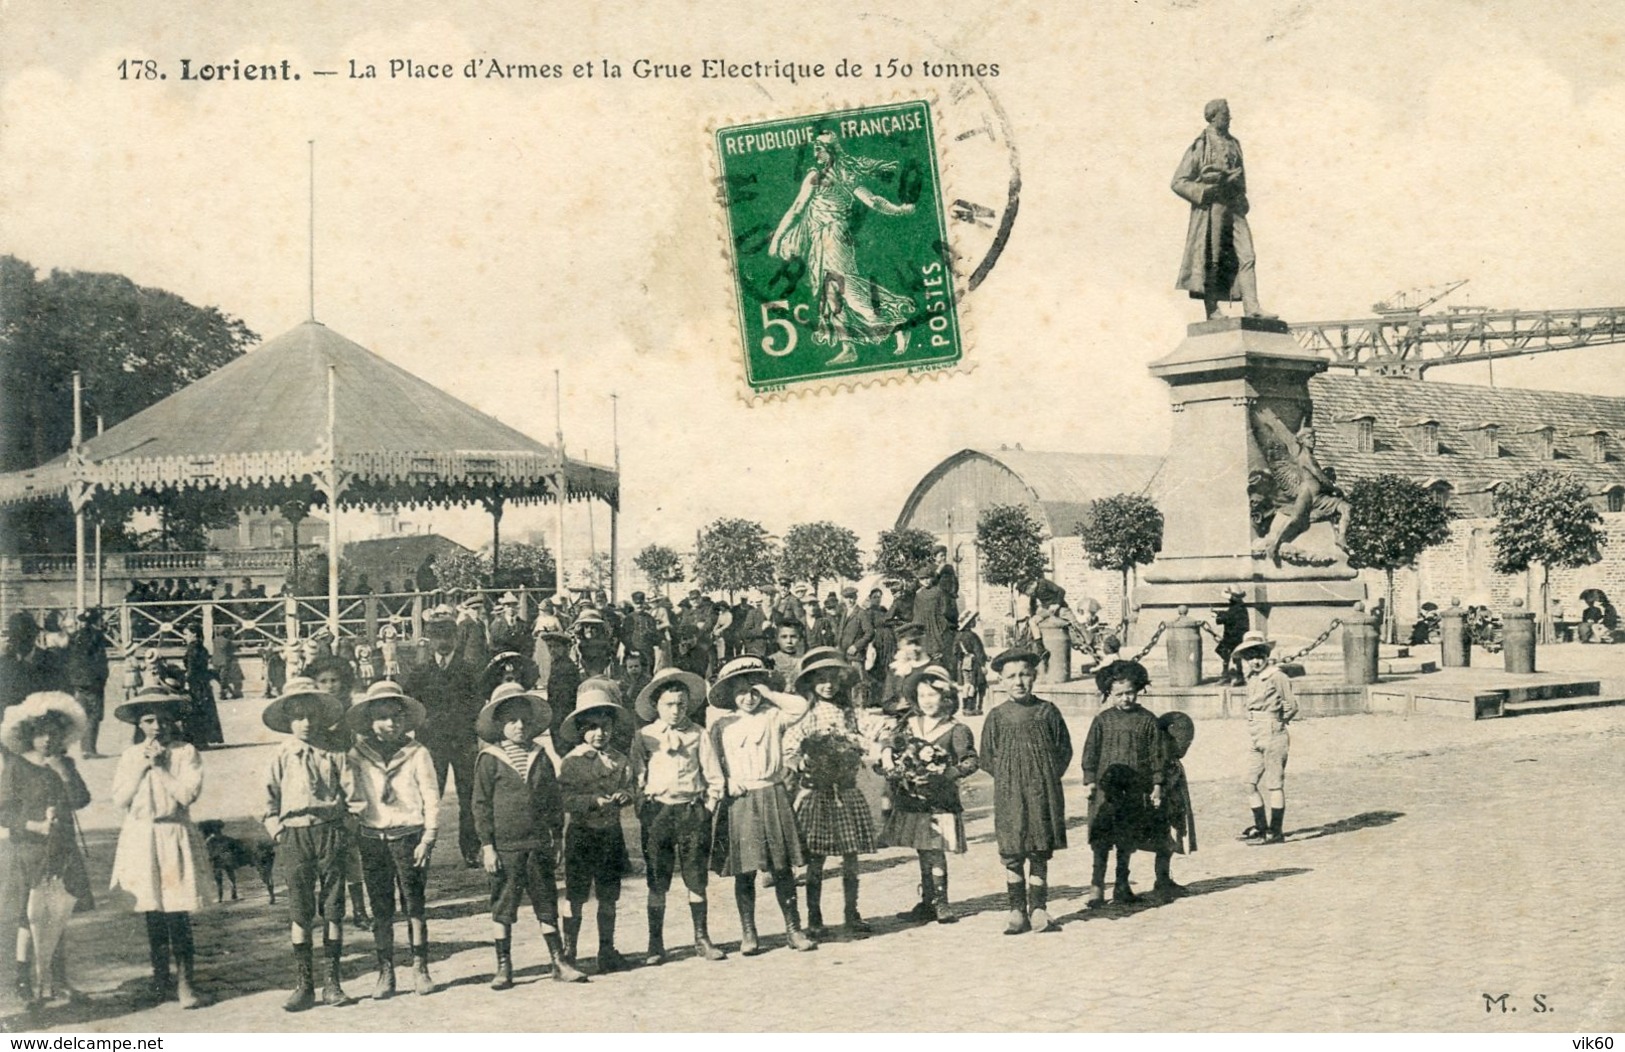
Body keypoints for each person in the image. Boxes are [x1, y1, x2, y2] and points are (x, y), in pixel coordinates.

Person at [768, 129, 919, 364]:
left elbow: (873, 201)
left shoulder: (844, 176)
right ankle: (849, 347)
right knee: (830, 295)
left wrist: (898, 210)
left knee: (844, 286)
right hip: (819, 240)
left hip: (835, 237)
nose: (815, 152)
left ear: (831, 151)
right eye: (815, 148)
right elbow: (797, 208)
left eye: (820, 148)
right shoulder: (815, 177)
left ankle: (895, 323)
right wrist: (778, 238)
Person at [471, 683, 587, 988]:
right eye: (511, 721)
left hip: (537, 844)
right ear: (499, 724)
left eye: (523, 720)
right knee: (504, 905)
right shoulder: (490, 758)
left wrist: (557, 837)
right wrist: (487, 846)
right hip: (506, 847)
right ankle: (504, 966)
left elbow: (553, 800)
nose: (519, 726)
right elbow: (480, 806)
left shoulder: (541, 755)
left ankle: (558, 961)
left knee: (546, 901)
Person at [261, 677, 361, 1011]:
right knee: (300, 910)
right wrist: (277, 830)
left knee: (333, 906)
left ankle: (333, 983)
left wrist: (346, 826)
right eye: (297, 716)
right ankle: (304, 984)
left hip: (328, 831)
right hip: (295, 835)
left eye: (310, 715)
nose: (305, 723)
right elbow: (267, 799)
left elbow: (354, 794)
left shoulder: (335, 752)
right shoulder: (282, 754)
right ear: (288, 720)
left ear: (321, 716)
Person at [108, 687, 211, 1008]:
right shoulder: (129, 756)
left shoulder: (185, 752)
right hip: (142, 836)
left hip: (173, 835)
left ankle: (185, 983)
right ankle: (159, 980)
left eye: (165, 720)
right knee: (152, 910)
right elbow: (120, 799)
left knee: (177, 911)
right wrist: (142, 766)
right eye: (150, 720)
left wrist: (161, 767)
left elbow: (187, 794)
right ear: (140, 724)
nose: (158, 727)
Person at [706, 656, 815, 954]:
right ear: (729, 695)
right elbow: (712, 763)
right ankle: (749, 933)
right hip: (740, 799)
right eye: (740, 691)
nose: (748, 697)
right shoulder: (722, 725)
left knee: (782, 868)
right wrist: (727, 782)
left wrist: (768, 692)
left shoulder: (772, 715)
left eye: (753, 690)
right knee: (745, 871)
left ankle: (794, 929)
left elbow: (800, 707)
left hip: (772, 794)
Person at [345, 681, 441, 999]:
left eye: (396, 717)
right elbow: (353, 796)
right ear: (370, 721)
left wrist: (428, 836)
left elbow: (431, 795)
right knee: (381, 908)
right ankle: (385, 970)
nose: (390, 723)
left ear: (406, 720)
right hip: (373, 838)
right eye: (382, 717)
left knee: (414, 904)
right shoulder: (358, 755)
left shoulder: (417, 753)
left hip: (408, 837)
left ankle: (420, 967)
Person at [0, 694, 93, 1006]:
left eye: (54, 733)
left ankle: (58, 982)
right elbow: (3, 811)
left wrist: (63, 770)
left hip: (61, 849)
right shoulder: (16, 767)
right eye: (41, 733)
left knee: (58, 913)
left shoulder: (64, 763)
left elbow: (81, 799)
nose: (48, 739)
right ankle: (25, 983)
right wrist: (33, 825)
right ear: (30, 735)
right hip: (28, 851)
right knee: (29, 917)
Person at [631, 668, 725, 965]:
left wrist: (705, 809)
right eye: (669, 705)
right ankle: (655, 943)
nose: (675, 711)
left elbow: (714, 777)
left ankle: (701, 938)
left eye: (681, 705)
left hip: (690, 811)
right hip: (658, 813)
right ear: (656, 706)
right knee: (657, 880)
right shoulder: (644, 736)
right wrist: (645, 809)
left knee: (696, 878)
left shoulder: (699, 734)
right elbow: (636, 777)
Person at [783, 650, 878, 936]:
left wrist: (869, 743)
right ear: (811, 684)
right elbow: (790, 746)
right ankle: (815, 917)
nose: (828, 686)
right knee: (816, 858)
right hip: (818, 792)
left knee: (850, 855)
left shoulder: (850, 713)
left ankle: (852, 913)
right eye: (821, 680)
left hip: (846, 790)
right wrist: (798, 761)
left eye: (833, 680)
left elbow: (869, 733)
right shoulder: (807, 715)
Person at [980, 647, 1072, 934]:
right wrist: (1011, 777)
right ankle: (1016, 909)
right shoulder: (996, 716)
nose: (1018, 682)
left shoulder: (1047, 711)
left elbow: (1063, 750)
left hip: (1042, 791)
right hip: (1009, 793)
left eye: (1024, 675)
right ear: (1001, 681)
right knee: (1012, 848)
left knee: (1039, 847)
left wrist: (1042, 776)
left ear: (1034, 677)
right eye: (1011, 676)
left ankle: (1039, 908)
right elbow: (987, 756)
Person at [881, 665, 978, 925]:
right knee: (923, 849)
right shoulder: (910, 724)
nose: (927, 701)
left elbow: (970, 761)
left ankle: (941, 901)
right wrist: (890, 758)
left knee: (936, 849)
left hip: (940, 800)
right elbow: (892, 743)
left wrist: (947, 772)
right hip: (913, 798)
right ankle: (927, 901)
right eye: (922, 695)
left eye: (933, 695)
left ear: (946, 697)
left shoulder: (956, 729)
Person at [555, 680, 636, 974]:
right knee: (576, 895)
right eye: (591, 727)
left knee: (608, 894)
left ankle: (606, 949)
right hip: (582, 834)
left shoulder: (621, 760)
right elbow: (564, 798)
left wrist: (625, 796)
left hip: (610, 835)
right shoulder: (572, 761)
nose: (599, 733)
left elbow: (631, 786)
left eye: (605, 726)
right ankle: (569, 951)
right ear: (580, 730)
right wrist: (591, 801)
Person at [1171, 97, 1273, 320]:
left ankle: (1252, 307)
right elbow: (1178, 182)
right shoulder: (1201, 145)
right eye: (1226, 114)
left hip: (1234, 205)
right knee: (1212, 256)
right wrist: (1206, 191)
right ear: (1213, 116)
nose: (1230, 118)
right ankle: (1212, 309)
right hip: (1212, 206)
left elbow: (1241, 176)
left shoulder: (1235, 143)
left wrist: (1238, 190)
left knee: (1247, 255)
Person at [1080, 659, 1166, 909]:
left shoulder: (1147, 720)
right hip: (1105, 793)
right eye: (1118, 694)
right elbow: (1090, 752)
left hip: (1133, 791)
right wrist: (1089, 781)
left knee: (1127, 839)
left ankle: (1121, 884)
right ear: (1109, 694)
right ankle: (1096, 885)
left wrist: (1157, 784)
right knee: (1101, 837)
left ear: (1138, 690)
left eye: (1130, 692)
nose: (1125, 698)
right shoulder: (1102, 721)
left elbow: (1156, 755)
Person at [401, 616, 483, 868]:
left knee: (468, 797)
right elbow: (410, 707)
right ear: (429, 640)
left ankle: (470, 849)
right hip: (431, 745)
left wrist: (461, 723)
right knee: (428, 795)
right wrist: (427, 725)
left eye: (448, 636)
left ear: (456, 639)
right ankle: (424, 846)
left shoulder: (469, 670)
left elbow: (477, 704)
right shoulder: (420, 672)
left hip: (463, 743)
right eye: (437, 637)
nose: (443, 642)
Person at [1234, 631, 1296, 845]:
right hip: (1256, 733)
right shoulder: (1251, 677)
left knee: (1274, 784)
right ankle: (1260, 827)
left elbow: (1292, 706)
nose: (1256, 661)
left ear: (1267, 655)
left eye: (1259, 656)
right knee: (1249, 783)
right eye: (1250, 657)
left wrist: (1277, 721)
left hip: (1272, 731)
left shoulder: (1277, 676)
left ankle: (1275, 831)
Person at [1146, 711, 1198, 901]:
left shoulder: (1172, 759)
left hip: (1171, 806)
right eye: (1184, 743)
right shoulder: (1164, 759)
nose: (1185, 747)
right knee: (1163, 841)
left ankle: (1164, 878)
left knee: (1166, 843)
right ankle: (1161, 881)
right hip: (1163, 805)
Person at [64, 610, 112, 758]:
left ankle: (84, 748)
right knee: (94, 714)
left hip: (77, 680)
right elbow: (99, 660)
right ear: (97, 620)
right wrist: (102, 678)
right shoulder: (96, 635)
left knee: (84, 713)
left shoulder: (76, 635)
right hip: (93, 681)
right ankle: (89, 749)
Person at [180, 625, 224, 749]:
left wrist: (187, 681)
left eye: (186, 634)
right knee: (204, 710)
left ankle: (196, 740)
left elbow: (192, 669)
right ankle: (203, 739)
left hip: (195, 684)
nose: (184, 637)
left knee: (193, 710)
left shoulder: (192, 648)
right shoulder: (202, 648)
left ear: (194, 634)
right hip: (203, 683)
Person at [1213, 586, 1250, 684]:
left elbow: (1229, 617)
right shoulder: (1239, 605)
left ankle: (1238, 676)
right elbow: (1230, 615)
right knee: (1226, 654)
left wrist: (1218, 616)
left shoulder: (1237, 606)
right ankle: (1227, 675)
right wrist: (1220, 613)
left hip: (1235, 636)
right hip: (1232, 635)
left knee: (1234, 655)